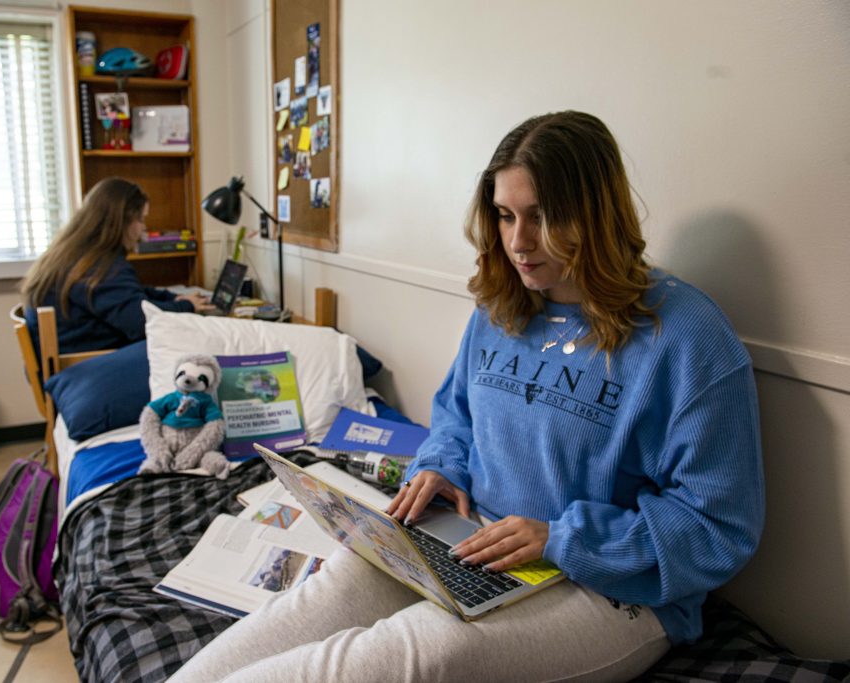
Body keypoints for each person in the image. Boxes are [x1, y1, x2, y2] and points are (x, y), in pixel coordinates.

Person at [169, 111, 765, 682]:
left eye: (541, 217)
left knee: (411, 657)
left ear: (596, 213)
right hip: (470, 536)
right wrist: (441, 466)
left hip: (611, 585)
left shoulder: (687, 335)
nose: (519, 242)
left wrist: (561, 539)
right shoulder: (502, 306)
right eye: (504, 216)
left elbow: (717, 526)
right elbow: (457, 414)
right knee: (308, 608)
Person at [21, 177, 215, 353]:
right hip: (87, 368)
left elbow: (132, 295)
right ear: (121, 221)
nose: (144, 227)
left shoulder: (76, 255)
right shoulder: (100, 266)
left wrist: (173, 298)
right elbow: (142, 322)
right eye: (141, 219)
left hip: (72, 361)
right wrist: (186, 306)